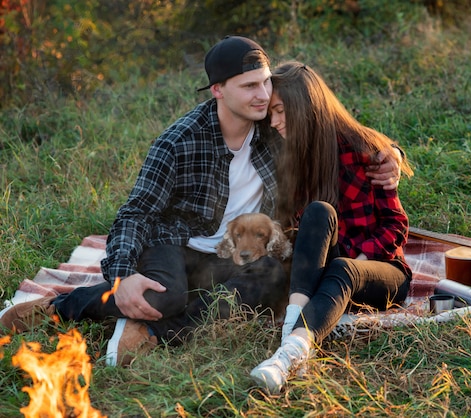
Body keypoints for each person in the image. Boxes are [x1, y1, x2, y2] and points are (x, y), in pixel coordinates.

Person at [0, 37, 401, 367]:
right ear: (218, 90)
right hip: (175, 243)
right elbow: (135, 213)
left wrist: (390, 155)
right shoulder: (180, 140)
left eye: (265, 83)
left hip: (232, 253)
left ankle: (153, 332)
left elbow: (329, 128)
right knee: (164, 295)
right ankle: (62, 305)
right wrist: (122, 277)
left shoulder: (275, 129)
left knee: (270, 284)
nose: (263, 96)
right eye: (249, 87)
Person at [249, 62, 414, 394]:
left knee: (343, 268)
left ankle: (288, 353)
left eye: (280, 111)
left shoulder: (366, 150)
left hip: (379, 272)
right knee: (318, 213)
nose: (275, 122)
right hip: (327, 275)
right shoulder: (292, 156)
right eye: (271, 114)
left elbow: (396, 226)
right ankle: (293, 346)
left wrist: (363, 260)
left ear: (306, 107)